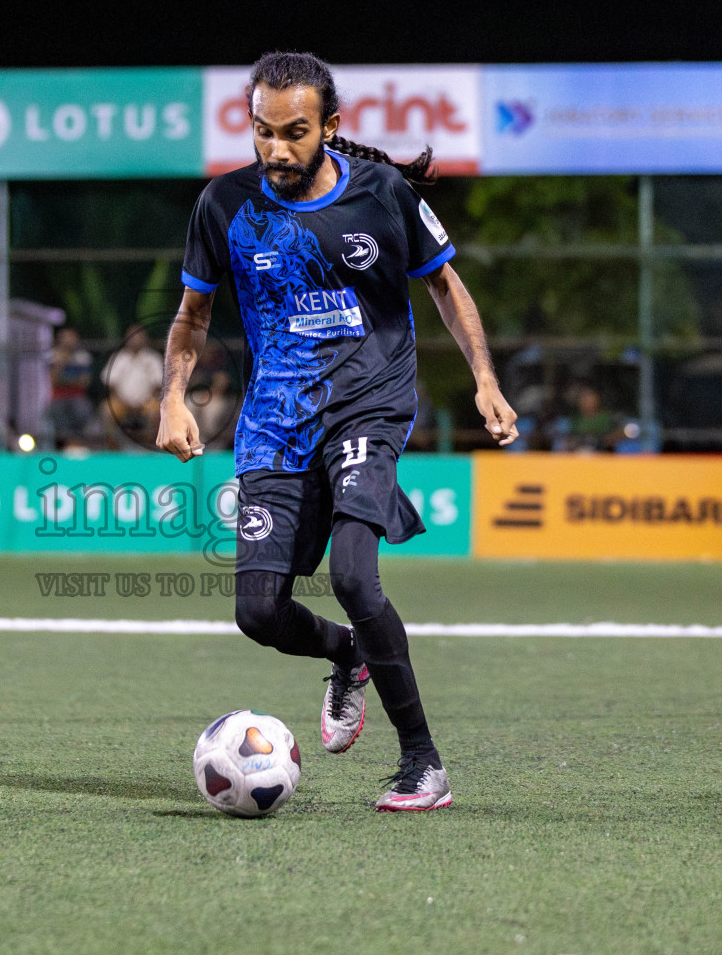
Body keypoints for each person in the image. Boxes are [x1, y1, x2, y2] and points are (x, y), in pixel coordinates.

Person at [157, 52, 517, 812]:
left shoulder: (383, 195)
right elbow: (192, 315)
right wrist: (173, 399)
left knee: (355, 574)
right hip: (275, 423)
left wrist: (485, 379)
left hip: (369, 406)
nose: (277, 149)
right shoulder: (223, 204)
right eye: (262, 131)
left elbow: (446, 287)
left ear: (330, 127)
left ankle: (423, 761)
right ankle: (346, 652)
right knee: (257, 611)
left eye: (294, 132)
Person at [101, 324, 162, 446]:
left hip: (147, 402)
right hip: (121, 401)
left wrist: (145, 401)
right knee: (107, 411)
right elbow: (110, 384)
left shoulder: (152, 358)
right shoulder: (118, 358)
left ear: (145, 339)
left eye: (139, 336)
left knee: (158, 412)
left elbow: (158, 385)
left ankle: (147, 447)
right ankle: (113, 449)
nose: (135, 339)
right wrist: (123, 401)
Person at [47, 326, 95, 449]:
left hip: (77, 396)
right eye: (66, 338)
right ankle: (69, 443)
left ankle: (78, 443)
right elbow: (53, 381)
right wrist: (62, 362)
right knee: (55, 411)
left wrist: (66, 381)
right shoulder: (53, 356)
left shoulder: (83, 357)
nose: (69, 341)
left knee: (82, 409)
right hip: (58, 397)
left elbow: (84, 382)